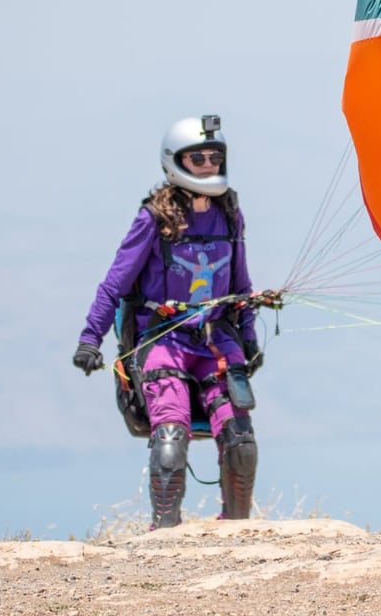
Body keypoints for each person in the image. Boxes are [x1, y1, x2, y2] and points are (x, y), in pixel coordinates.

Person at [73, 114, 265, 529]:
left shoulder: (230, 215)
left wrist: (248, 340)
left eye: (216, 156)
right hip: (164, 344)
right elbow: (114, 284)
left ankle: (237, 529)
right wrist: (91, 339)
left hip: (215, 342)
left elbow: (241, 286)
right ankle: (165, 534)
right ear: (176, 161)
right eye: (199, 158)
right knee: (171, 442)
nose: (209, 164)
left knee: (241, 443)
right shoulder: (153, 219)